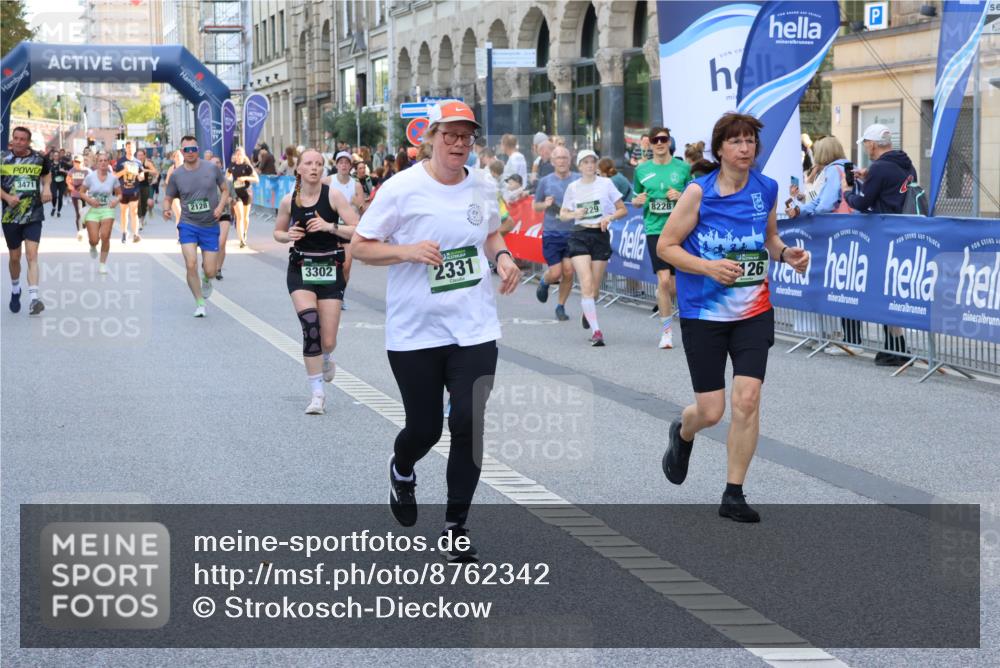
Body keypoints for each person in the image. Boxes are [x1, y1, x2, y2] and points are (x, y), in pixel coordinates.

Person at [352, 100, 522, 562]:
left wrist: (503, 258)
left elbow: (491, 235)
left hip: (474, 325)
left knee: (469, 421)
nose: (459, 144)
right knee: (424, 430)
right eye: (449, 135)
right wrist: (406, 251)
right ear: (430, 137)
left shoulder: (483, 184)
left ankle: (455, 525)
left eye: (466, 136)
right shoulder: (401, 188)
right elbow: (361, 247)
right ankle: (402, 467)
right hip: (416, 331)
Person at [658, 112, 809, 523]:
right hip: (704, 312)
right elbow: (667, 247)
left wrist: (785, 254)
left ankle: (734, 493)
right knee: (711, 412)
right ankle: (683, 431)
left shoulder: (766, 188)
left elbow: (770, 237)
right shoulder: (698, 193)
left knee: (748, 399)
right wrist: (708, 268)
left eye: (750, 142)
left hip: (752, 310)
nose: (745, 149)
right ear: (720, 149)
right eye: (736, 142)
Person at [274, 148, 359, 414]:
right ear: (298, 168)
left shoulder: (332, 195)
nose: (314, 168)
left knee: (328, 340)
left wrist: (329, 227)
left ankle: (326, 356)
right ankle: (317, 395)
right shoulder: (290, 200)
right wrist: (288, 235)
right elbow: (277, 232)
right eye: (308, 163)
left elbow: (358, 229)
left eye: (319, 164)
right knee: (311, 326)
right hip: (301, 268)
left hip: (330, 269)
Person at [845, 123, 916, 366]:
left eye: (865, 143)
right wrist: (869, 178)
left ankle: (897, 349)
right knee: (892, 292)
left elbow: (863, 203)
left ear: (872, 144)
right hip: (903, 233)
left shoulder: (880, 168)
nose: (865, 148)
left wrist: (847, 192)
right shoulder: (905, 164)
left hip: (884, 237)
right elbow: (891, 191)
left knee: (886, 292)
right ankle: (895, 346)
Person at [783, 136, 858, 356]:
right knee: (849, 285)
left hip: (835, 231)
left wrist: (803, 210)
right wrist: (802, 208)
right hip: (854, 228)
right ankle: (849, 339)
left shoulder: (833, 171)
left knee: (840, 284)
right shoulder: (849, 167)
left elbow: (824, 203)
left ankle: (850, 340)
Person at [632, 127, 692, 349]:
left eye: (663, 139)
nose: (659, 143)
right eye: (655, 140)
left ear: (669, 141)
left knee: (672, 286)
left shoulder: (683, 168)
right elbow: (636, 197)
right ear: (649, 144)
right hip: (655, 230)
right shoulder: (641, 170)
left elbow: (695, 193)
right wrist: (637, 201)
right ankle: (667, 333)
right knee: (664, 280)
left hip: (680, 229)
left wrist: (681, 195)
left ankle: (662, 296)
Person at [560, 149, 628, 346]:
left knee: (595, 289)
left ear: (596, 165)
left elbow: (622, 209)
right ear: (579, 166)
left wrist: (610, 217)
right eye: (585, 162)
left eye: (592, 162)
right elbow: (563, 214)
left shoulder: (606, 184)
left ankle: (587, 309)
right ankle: (597, 331)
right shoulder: (573, 187)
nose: (590, 165)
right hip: (579, 235)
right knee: (586, 283)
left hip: (600, 235)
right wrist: (574, 214)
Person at [163, 136, 230, 317]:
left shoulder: (211, 168)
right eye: (187, 150)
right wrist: (167, 209)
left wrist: (220, 207)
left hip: (209, 225)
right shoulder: (177, 174)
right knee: (190, 263)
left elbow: (225, 190)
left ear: (198, 150)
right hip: (188, 224)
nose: (190, 153)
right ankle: (199, 302)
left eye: (193, 149)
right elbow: (168, 197)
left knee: (210, 270)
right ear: (182, 152)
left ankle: (207, 279)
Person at [1, 126, 52, 315]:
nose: (18, 142)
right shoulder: (3, 158)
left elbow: (47, 174)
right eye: (16, 138)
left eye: (23, 139)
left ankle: (34, 299)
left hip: (33, 214)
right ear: (12, 139)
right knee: (15, 258)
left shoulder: (39, 158)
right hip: (10, 216)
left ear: (28, 142)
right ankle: (16, 289)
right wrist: (6, 197)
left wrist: (46, 188)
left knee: (32, 255)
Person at [532, 146, 580, 321]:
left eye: (564, 158)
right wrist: (544, 204)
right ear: (552, 162)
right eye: (558, 158)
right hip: (552, 232)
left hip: (573, 232)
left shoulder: (578, 180)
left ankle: (560, 306)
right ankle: (545, 282)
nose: (562, 161)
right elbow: (535, 206)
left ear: (570, 160)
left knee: (568, 271)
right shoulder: (545, 181)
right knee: (556, 273)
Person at [77, 152, 121, 274]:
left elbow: (119, 194)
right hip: (93, 210)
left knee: (105, 236)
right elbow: (81, 192)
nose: (103, 163)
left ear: (108, 163)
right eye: (100, 160)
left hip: (107, 209)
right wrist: (90, 200)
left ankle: (102, 264)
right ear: (97, 163)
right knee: (94, 239)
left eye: (105, 160)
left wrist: (115, 201)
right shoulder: (90, 177)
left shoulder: (113, 178)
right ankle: (92, 245)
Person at [227, 146, 259, 248]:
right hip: (236, 194)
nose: (239, 156)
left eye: (241, 155)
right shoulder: (232, 166)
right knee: (239, 216)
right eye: (237, 155)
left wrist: (245, 178)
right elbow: (226, 178)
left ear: (244, 156)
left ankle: (244, 232)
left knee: (245, 217)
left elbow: (256, 179)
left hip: (247, 193)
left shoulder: (247, 167)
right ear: (235, 156)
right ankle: (241, 240)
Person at [114, 141, 143, 244]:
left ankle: (135, 234)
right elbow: (115, 176)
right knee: (124, 213)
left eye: (132, 148)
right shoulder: (120, 161)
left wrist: (139, 176)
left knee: (134, 212)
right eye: (128, 147)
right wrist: (124, 171)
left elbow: (141, 176)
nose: (130, 149)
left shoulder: (138, 162)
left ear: (135, 149)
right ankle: (124, 233)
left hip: (134, 190)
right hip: (123, 191)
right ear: (126, 149)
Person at [211, 156, 235, 280]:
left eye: (218, 163)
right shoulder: (204, 182)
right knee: (211, 243)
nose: (215, 165)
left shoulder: (228, 182)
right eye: (213, 163)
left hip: (224, 214)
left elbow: (234, 199)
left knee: (221, 242)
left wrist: (231, 200)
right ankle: (209, 262)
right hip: (209, 217)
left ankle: (218, 268)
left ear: (221, 165)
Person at [134, 148, 159, 233]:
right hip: (136, 186)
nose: (140, 157)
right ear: (136, 156)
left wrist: (146, 170)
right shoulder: (134, 163)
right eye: (138, 155)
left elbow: (155, 172)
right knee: (138, 204)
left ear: (144, 155)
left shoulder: (147, 163)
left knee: (145, 204)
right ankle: (140, 222)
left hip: (146, 186)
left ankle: (143, 219)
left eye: (141, 155)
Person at [67, 156, 90, 240]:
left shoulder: (87, 171)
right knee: (79, 213)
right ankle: (80, 232)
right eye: (75, 162)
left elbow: (92, 181)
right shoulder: (71, 171)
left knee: (85, 214)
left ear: (82, 162)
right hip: (75, 195)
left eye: (78, 162)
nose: (76, 164)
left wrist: (85, 186)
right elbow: (68, 180)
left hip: (85, 195)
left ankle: (84, 230)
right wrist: (71, 186)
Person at [49, 149, 71, 217]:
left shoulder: (63, 163)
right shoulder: (50, 164)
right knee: (54, 196)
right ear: (53, 157)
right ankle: (53, 207)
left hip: (62, 182)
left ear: (59, 156)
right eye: (55, 155)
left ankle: (58, 211)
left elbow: (71, 170)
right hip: (53, 182)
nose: (56, 157)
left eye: (57, 155)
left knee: (60, 197)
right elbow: (46, 173)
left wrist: (64, 171)